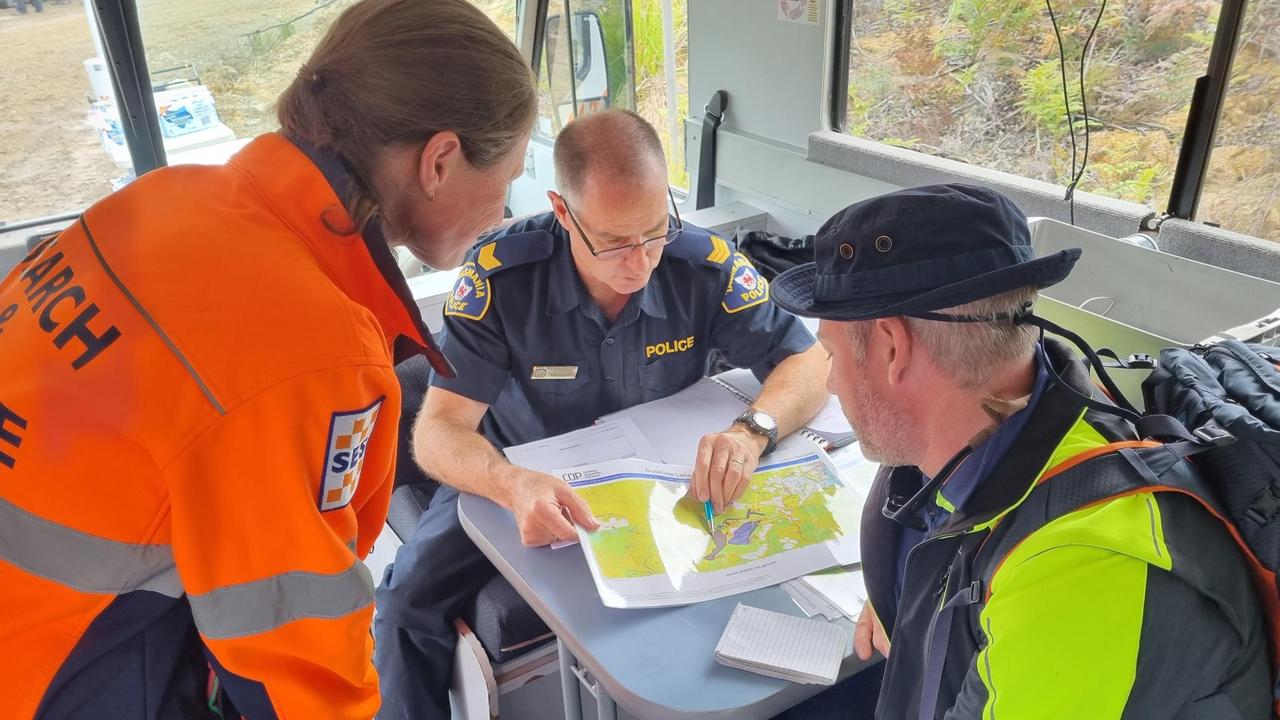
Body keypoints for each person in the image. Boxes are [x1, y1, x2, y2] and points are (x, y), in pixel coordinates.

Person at [0, 0, 536, 717]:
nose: (503, 213)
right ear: (439, 161)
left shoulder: (170, 197)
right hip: (54, 667)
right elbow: (295, 661)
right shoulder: (311, 350)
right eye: (505, 180)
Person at [373, 109, 831, 718]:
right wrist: (510, 484)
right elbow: (437, 432)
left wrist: (752, 433)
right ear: (563, 213)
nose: (641, 263)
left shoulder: (704, 265)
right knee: (407, 601)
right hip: (518, 471)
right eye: (614, 241)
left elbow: (811, 361)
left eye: (653, 231)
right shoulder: (500, 276)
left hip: (664, 475)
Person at [771, 184, 1270, 719]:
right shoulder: (1007, 420)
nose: (832, 381)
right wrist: (915, 595)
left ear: (893, 349)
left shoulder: (1080, 580)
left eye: (831, 354)